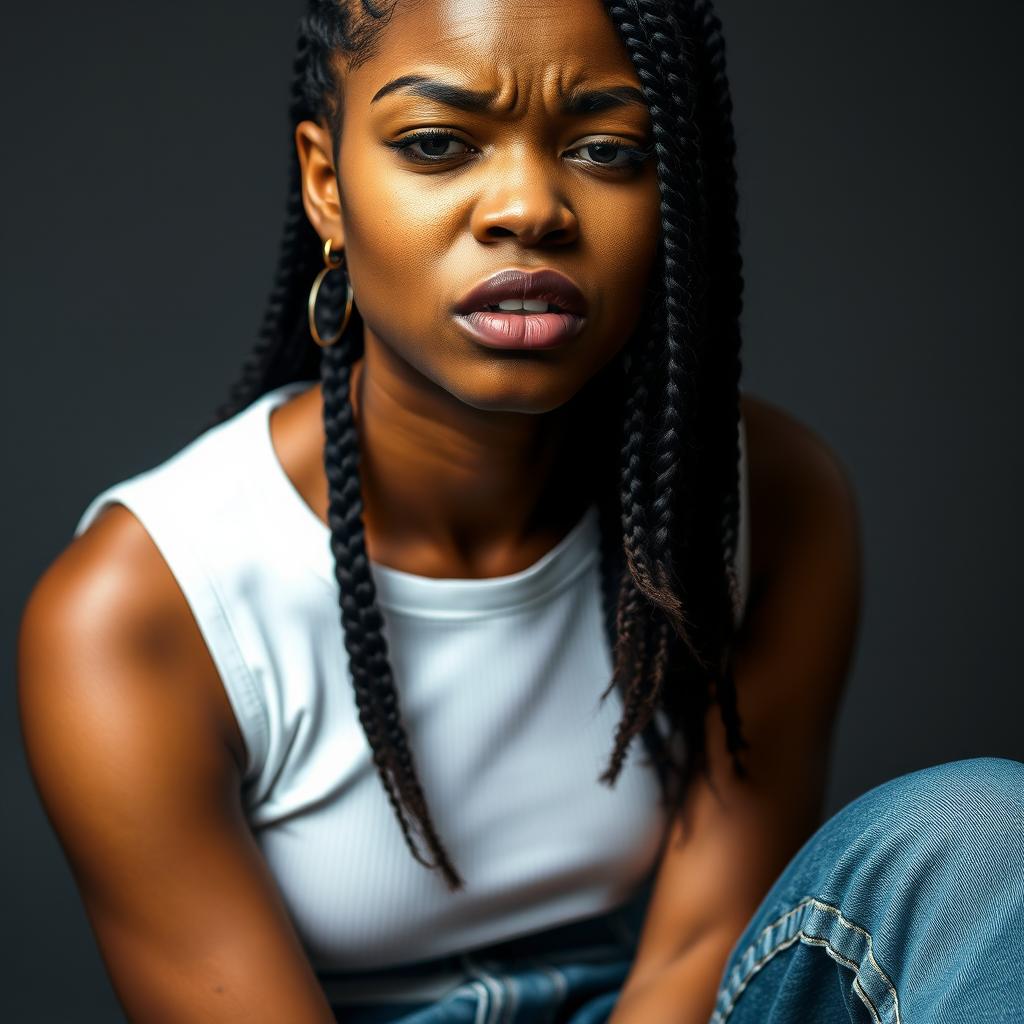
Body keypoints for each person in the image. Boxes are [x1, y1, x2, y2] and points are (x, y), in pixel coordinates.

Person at [16, 0, 1024, 1021]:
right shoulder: (141, 614)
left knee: (988, 833)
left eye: (604, 148)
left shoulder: (765, 500)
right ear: (327, 184)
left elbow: (694, 953)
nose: (528, 208)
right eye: (439, 144)